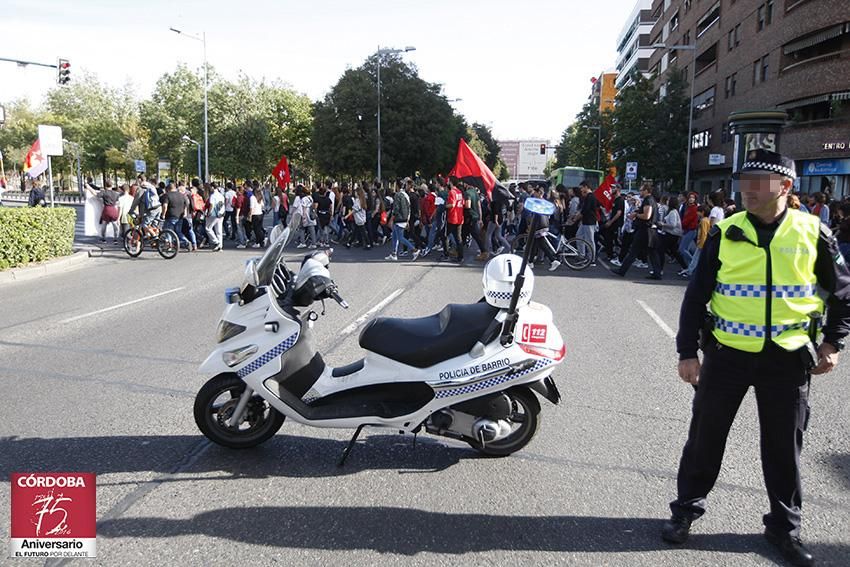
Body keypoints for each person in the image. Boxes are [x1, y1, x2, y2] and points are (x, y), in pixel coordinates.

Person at [665, 149, 850, 567]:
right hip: (727, 356)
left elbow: (843, 296)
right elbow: (696, 296)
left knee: (784, 449)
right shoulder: (724, 231)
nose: (746, 189)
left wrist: (833, 344)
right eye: (743, 181)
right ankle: (685, 512)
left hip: (787, 361)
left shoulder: (813, 232)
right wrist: (686, 351)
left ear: (785, 187)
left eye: (757, 182)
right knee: (705, 440)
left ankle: (784, 529)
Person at [613, 183, 661, 279]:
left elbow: (647, 216)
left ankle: (622, 271)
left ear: (646, 191)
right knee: (652, 253)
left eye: (641, 190)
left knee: (634, 251)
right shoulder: (651, 200)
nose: (640, 192)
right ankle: (657, 273)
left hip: (645, 230)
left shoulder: (648, 200)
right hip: (649, 231)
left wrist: (635, 215)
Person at [385, 185, 419, 261]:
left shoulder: (397, 195)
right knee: (395, 236)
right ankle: (394, 253)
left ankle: (414, 250)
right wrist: (407, 219)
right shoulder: (406, 195)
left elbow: (396, 209)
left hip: (398, 219)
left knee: (400, 237)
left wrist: (391, 219)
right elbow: (409, 208)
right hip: (404, 218)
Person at [160, 182, 191, 250]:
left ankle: (169, 245)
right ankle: (186, 242)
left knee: (168, 231)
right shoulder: (182, 195)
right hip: (180, 216)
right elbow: (186, 204)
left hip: (170, 215)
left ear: (168, 189)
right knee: (178, 231)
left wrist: (163, 214)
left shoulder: (167, 195)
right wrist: (185, 213)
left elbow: (165, 205)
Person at [576, 181, 599, 264]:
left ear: (586, 187)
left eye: (582, 188)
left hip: (590, 221)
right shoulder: (588, 197)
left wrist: (577, 217)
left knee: (590, 240)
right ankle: (582, 255)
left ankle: (591, 258)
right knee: (579, 236)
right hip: (585, 221)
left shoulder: (591, 197)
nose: (581, 190)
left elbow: (586, 209)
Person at [206, 184, 225, 251]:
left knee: (208, 228)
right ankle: (220, 246)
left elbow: (211, 205)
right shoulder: (221, 195)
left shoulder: (213, 196)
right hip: (221, 213)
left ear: (213, 187)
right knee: (219, 230)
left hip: (214, 214)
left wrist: (208, 213)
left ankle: (216, 242)